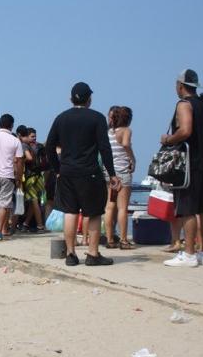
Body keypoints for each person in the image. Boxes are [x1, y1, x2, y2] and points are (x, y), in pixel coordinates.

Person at [46, 82, 120, 266]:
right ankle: (93, 254)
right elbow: (104, 147)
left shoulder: (61, 118)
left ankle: (71, 255)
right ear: (89, 99)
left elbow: (48, 146)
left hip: (67, 173)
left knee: (70, 212)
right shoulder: (96, 118)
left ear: (71, 99)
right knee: (93, 213)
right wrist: (112, 174)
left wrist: (57, 169)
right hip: (90, 173)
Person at [161, 69, 203, 267]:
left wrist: (168, 139)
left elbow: (185, 130)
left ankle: (190, 254)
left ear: (181, 86)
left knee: (187, 209)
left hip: (188, 165)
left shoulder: (184, 104)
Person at [104, 106, 136, 249]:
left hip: (110, 172)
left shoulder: (110, 132)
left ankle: (110, 239)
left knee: (110, 206)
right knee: (123, 207)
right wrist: (132, 159)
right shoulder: (126, 131)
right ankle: (123, 240)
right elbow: (126, 144)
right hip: (122, 172)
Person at [19, 126, 44, 232]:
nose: (34, 138)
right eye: (32, 136)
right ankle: (26, 224)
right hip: (39, 177)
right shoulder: (39, 146)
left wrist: (19, 161)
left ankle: (40, 226)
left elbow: (29, 158)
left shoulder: (25, 145)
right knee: (33, 202)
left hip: (31, 177)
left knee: (33, 202)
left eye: (34, 136)